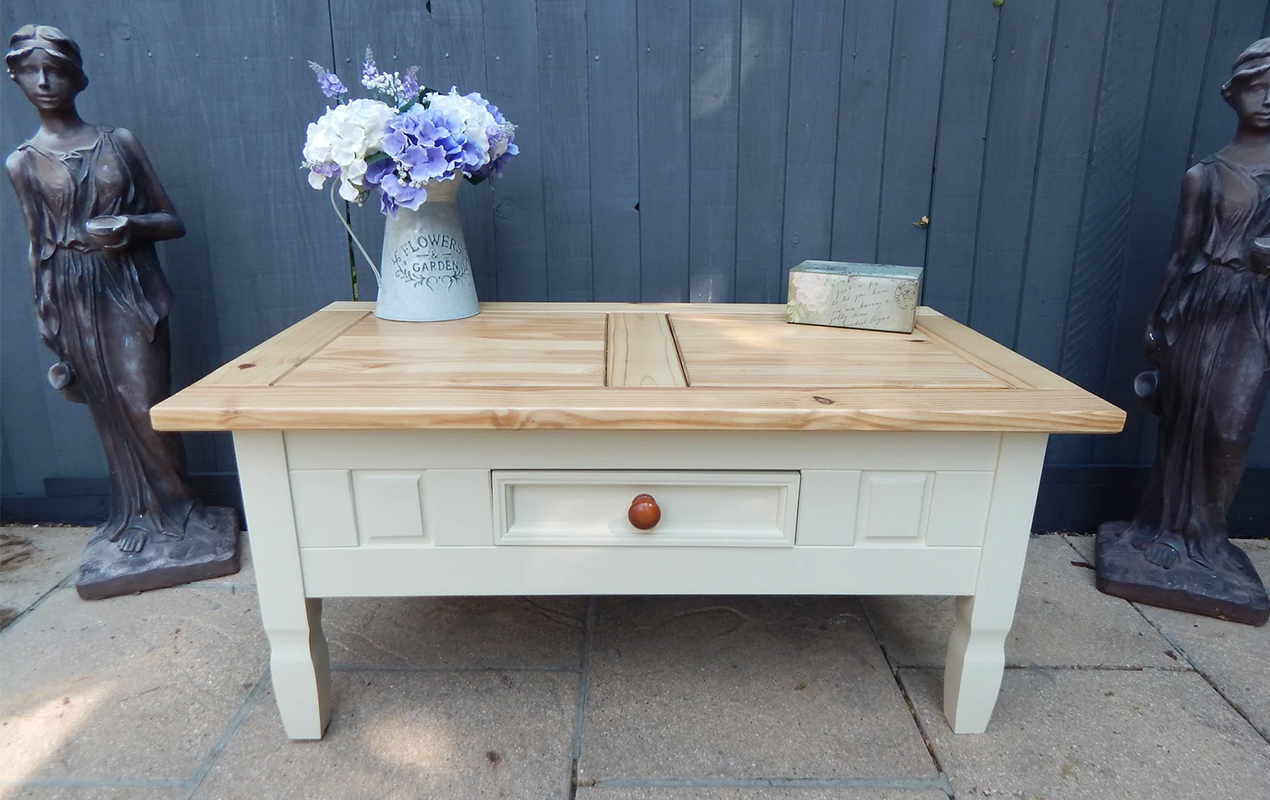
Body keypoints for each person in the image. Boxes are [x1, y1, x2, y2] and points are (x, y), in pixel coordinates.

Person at [5, 24, 214, 554]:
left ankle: (181, 509)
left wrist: (131, 226)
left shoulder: (117, 142)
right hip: (73, 295)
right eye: (32, 71)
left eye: (55, 69)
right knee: (108, 409)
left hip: (131, 285)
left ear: (78, 76)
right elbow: (38, 245)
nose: (45, 81)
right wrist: (45, 319)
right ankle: (136, 516)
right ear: (17, 78)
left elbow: (172, 220)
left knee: (143, 399)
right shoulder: (22, 163)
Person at [1129, 37, 1270, 571]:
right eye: (1258, 88)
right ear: (1232, 95)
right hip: (1202, 304)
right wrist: (1157, 319)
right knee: (1184, 418)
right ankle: (1164, 529)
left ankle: (1208, 535)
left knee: (1229, 425)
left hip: (1255, 312)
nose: (1268, 99)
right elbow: (1180, 254)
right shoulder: (1204, 176)